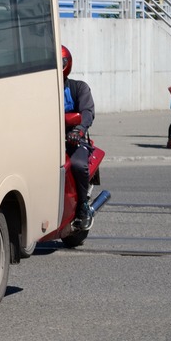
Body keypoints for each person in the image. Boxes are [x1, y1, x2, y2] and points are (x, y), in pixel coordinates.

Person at [62, 46, 96, 227]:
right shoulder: (41, 90)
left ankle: (83, 205)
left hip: (73, 140)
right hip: (48, 139)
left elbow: (87, 112)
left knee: (77, 164)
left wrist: (79, 130)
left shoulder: (79, 88)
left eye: (60, 63)